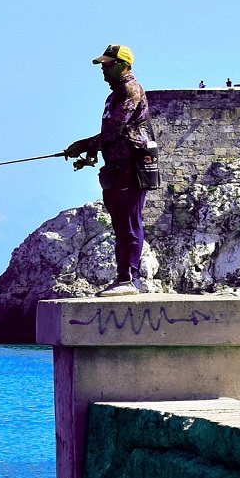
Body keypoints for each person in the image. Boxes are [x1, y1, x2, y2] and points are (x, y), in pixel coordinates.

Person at [64, 44, 152, 297]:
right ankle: (123, 278)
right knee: (120, 225)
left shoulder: (130, 90)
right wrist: (90, 149)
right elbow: (109, 134)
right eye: (102, 64)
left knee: (129, 222)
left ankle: (129, 279)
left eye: (108, 64)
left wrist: (85, 144)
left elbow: (115, 130)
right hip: (114, 167)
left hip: (131, 166)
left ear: (124, 65)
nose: (103, 68)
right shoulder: (113, 95)